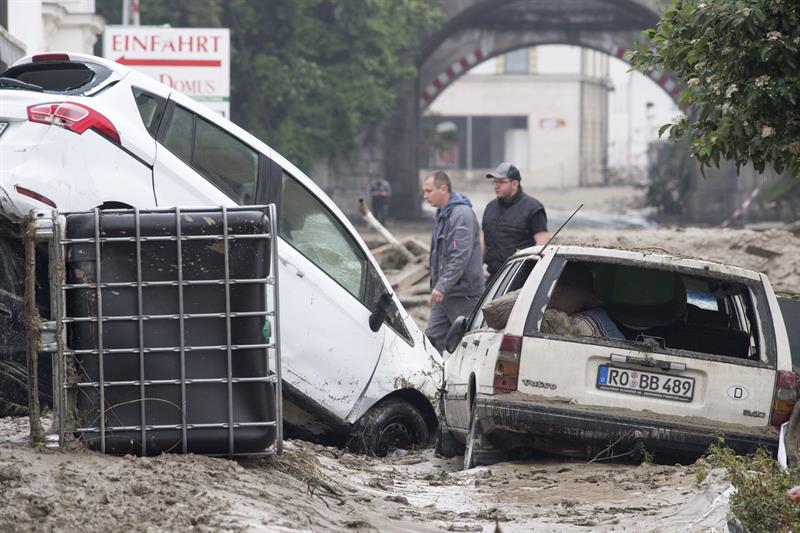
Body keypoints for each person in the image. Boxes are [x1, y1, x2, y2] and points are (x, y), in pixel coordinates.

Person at [422, 171, 484, 352]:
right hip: (444, 295)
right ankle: (436, 379)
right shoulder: (442, 214)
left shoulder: (461, 214)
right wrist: (436, 287)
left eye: (429, 191)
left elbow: (460, 255)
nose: (425, 196)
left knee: (467, 345)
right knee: (433, 340)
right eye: (424, 192)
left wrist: (442, 286)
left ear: (444, 188)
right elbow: (437, 256)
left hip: (464, 294)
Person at [482, 162, 549, 277]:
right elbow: (483, 240)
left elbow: (542, 245)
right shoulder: (490, 207)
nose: (496, 186)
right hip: (493, 277)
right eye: (495, 181)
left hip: (520, 278)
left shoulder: (533, 208)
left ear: (514, 184)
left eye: (501, 182)